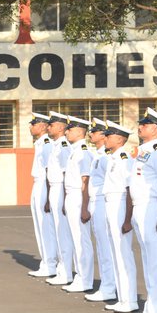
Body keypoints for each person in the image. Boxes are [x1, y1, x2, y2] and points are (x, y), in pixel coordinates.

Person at [128, 108, 157, 313]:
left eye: (145, 124)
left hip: (151, 207)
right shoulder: (144, 150)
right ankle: (152, 305)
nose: (140, 127)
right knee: (147, 258)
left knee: (155, 261)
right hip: (140, 207)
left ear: (156, 128)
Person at [102, 121, 139, 313]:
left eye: (108, 136)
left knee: (123, 254)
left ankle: (130, 298)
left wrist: (127, 219)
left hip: (120, 204)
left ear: (119, 139)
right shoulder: (114, 158)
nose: (105, 138)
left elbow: (129, 189)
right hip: (111, 204)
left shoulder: (124, 159)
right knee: (115, 252)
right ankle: (123, 297)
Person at [84, 118, 116, 303]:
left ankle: (109, 287)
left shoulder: (106, 157)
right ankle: (107, 285)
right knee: (102, 248)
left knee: (106, 248)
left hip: (104, 202)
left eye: (94, 132)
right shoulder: (98, 155)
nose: (91, 135)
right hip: (97, 203)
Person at [61, 116, 95, 294]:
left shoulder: (82, 151)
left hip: (79, 197)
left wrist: (84, 207)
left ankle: (85, 279)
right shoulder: (74, 150)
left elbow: (85, 180)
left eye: (70, 129)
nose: (66, 132)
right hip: (72, 196)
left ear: (80, 131)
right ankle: (80, 276)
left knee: (82, 240)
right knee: (75, 239)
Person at [28, 113, 59, 278]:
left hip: (44, 185)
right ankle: (46, 262)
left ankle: (50, 263)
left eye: (34, 123)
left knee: (45, 226)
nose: (30, 126)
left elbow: (49, 169)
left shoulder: (46, 143)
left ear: (42, 126)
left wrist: (47, 196)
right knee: (39, 226)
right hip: (37, 183)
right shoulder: (40, 142)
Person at [44, 112, 73, 286]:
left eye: (52, 125)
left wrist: (64, 197)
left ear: (61, 127)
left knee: (63, 233)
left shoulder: (63, 145)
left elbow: (64, 172)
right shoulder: (56, 145)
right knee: (57, 231)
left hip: (61, 188)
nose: (49, 127)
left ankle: (66, 271)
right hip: (55, 188)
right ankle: (62, 269)